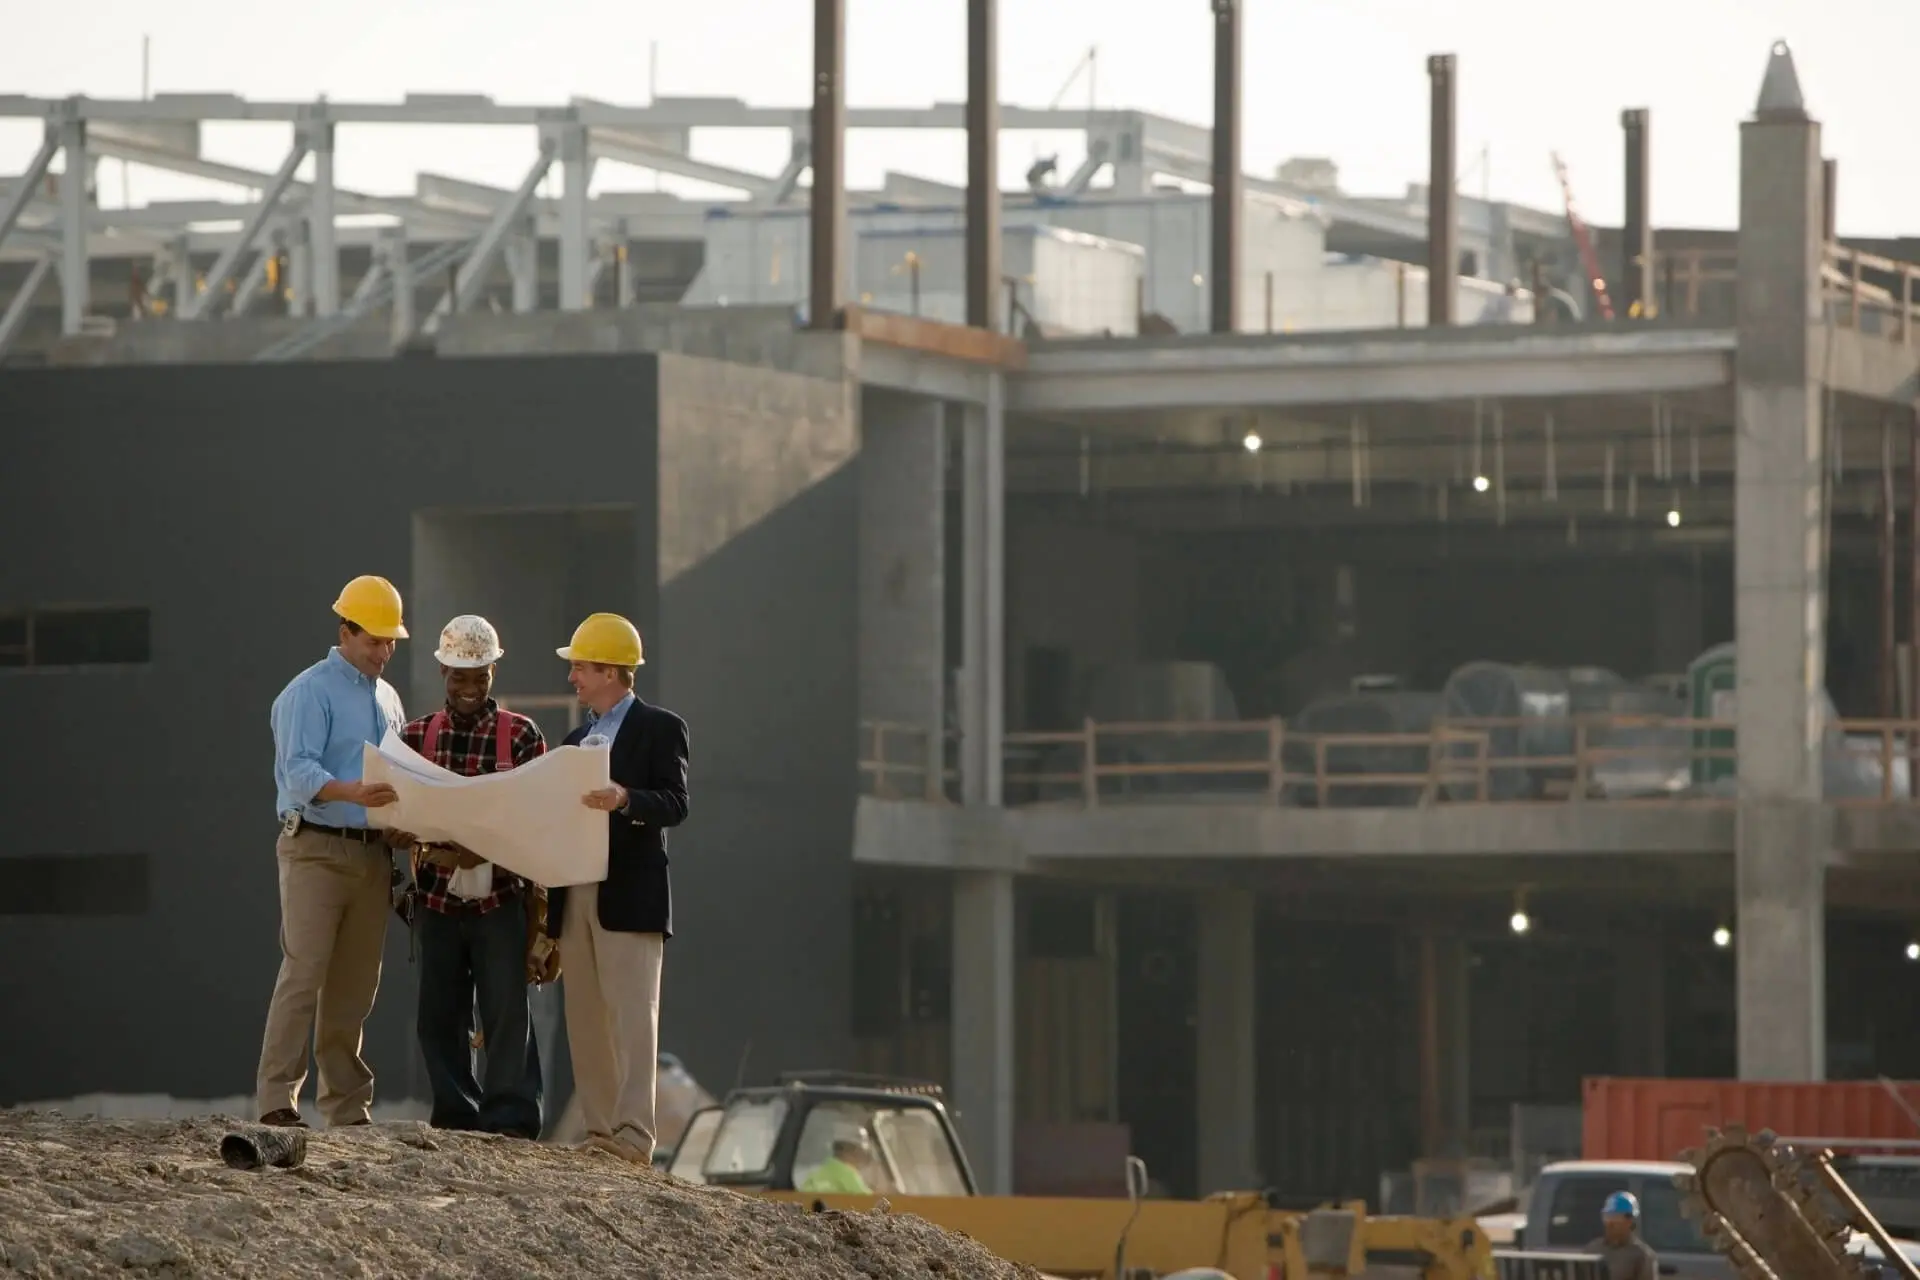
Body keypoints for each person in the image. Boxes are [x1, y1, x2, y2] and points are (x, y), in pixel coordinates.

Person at [256, 575, 416, 1129]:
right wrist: (353, 793)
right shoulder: (309, 692)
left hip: (373, 855)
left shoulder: (389, 699)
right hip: (317, 850)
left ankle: (347, 1106)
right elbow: (297, 772)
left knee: (355, 984)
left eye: (390, 641)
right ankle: (278, 1099)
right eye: (374, 640)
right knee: (304, 972)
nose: (384, 651)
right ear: (345, 632)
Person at [399, 614, 552, 1140]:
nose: (469, 688)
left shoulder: (523, 737)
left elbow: (540, 824)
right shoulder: (416, 736)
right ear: (443, 670)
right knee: (438, 1015)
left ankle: (509, 1119)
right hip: (437, 899)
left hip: (502, 897)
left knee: (507, 1009)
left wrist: (540, 918)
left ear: (493, 671)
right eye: (459, 676)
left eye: (479, 676)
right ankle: (456, 1115)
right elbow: (398, 815)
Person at [547, 612, 690, 1166]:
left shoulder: (660, 728)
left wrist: (625, 798)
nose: (573, 679)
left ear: (610, 671)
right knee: (585, 1014)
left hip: (629, 893)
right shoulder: (575, 739)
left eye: (580, 667)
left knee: (633, 1014)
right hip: (577, 889)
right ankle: (601, 1129)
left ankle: (634, 1134)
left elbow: (676, 804)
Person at [1588, 1190, 1659, 1280]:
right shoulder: (1592, 1249)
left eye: (1615, 1217)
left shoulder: (1642, 1256)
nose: (1610, 1223)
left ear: (1629, 1221)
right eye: (1607, 1217)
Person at [799, 1132, 876, 1195]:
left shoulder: (817, 1171)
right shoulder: (847, 1173)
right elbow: (868, 1199)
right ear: (847, 1151)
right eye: (858, 1152)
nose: (860, 1157)